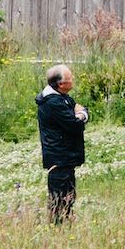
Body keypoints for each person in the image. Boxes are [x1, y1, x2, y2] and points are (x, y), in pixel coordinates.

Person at [36, 63, 87, 224]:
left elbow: (78, 111)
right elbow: (74, 124)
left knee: (68, 194)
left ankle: (66, 222)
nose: (72, 80)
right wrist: (81, 115)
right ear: (60, 84)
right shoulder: (53, 102)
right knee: (59, 197)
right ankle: (58, 226)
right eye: (70, 78)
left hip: (65, 157)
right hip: (59, 157)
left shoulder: (63, 98)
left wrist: (80, 114)